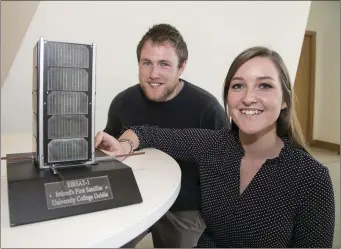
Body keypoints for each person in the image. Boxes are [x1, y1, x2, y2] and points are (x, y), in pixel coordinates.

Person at [96, 46, 336, 248]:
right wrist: (123, 143)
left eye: (264, 85)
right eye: (238, 86)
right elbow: (148, 133)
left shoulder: (311, 178)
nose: (249, 97)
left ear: (284, 100)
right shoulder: (214, 145)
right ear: (228, 99)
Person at [100, 23, 231, 247]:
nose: (153, 74)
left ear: (181, 68)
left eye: (164, 64)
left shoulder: (207, 109)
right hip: (132, 198)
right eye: (147, 63)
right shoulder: (122, 102)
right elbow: (109, 151)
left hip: (185, 207)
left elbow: (227, 168)